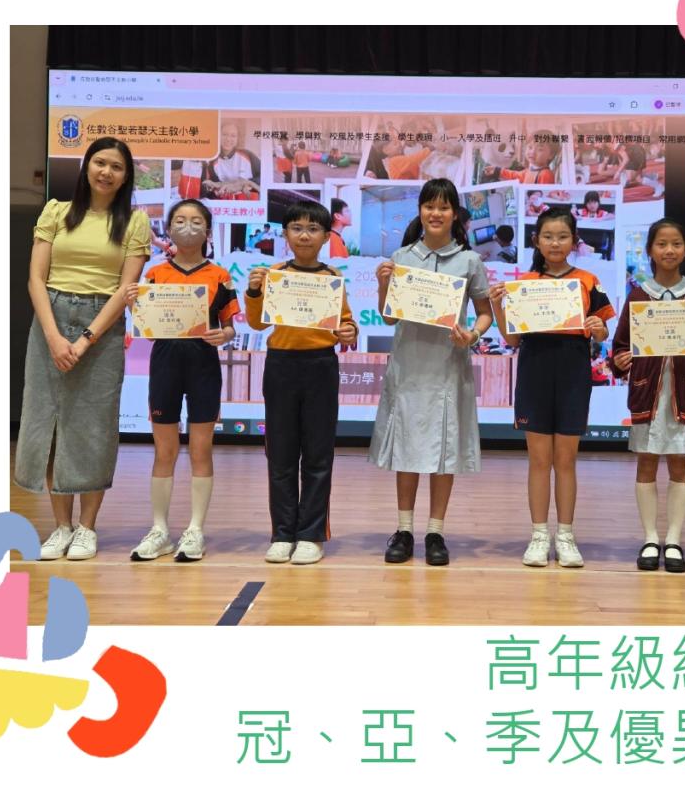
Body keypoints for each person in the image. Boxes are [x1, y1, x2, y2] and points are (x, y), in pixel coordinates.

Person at [16, 137, 151, 561]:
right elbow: (36, 279)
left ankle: (87, 528)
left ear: (126, 177)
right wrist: (54, 336)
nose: (106, 172)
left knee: (93, 427)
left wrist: (85, 338)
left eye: (116, 167)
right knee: (51, 423)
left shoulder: (135, 222)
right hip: (50, 319)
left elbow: (125, 290)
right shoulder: (56, 211)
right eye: (100, 163)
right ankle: (61, 527)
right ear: (87, 166)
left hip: (102, 326)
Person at [371, 178, 495, 566]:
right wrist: (382, 285)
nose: (435, 213)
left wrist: (472, 335)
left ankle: (436, 532)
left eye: (443, 207)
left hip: (448, 365)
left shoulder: (469, 260)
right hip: (408, 365)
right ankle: (404, 529)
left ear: (455, 214)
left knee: (444, 449)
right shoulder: (402, 256)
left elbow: (485, 313)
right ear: (420, 211)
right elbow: (389, 317)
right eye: (429, 206)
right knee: (407, 447)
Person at [489, 208, 614, 568]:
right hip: (535, 370)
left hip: (573, 372)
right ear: (536, 241)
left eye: (562, 236)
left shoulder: (589, 281)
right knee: (540, 460)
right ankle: (539, 536)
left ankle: (567, 537)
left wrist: (599, 329)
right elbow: (513, 339)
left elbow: (602, 331)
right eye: (548, 236)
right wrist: (498, 306)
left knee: (566, 460)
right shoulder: (524, 283)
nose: (555, 243)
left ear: (574, 241)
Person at [610, 218, 685, 573]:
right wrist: (620, 360)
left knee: (679, 463)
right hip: (647, 392)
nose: (669, 250)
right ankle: (650, 538)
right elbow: (620, 345)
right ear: (649, 250)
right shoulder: (639, 295)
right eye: (661, 244)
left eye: (676, 243)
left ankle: (674, 540)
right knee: (646, 462)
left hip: (683, 393)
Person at [123, 199, 240, 563]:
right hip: (165, 363)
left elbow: (230, 326)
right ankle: (159, 530)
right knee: (165, 450)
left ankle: (195, 530)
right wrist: (132, 303)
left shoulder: (220, 275)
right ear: (169, 228)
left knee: (201, 449)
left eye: (195, 221)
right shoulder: (155, 274)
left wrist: (225, 334)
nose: (187, 226)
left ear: (208, 230)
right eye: (180, 220)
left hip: (204, 365)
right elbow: (144, 320)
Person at [245, 201, 359, 565]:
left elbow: (346, 323)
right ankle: (282, 533)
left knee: (317, 455)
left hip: (320, 365)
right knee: (280, 454)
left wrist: (348, 331)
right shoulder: (274, 274)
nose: (304, 235)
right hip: (280, 365)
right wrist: (253, 292)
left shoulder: (332, 277)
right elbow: (258, 324)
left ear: (326, 237)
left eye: (313, 229)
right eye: (296, 228)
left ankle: (311, 535)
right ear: (285, 234)